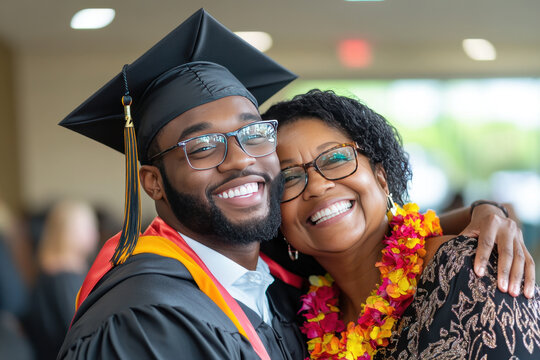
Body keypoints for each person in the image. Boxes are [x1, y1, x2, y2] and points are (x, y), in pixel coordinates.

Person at [56, 8, 532, 360]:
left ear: (381, 174)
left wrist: (482, 212)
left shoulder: (283, 292)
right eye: (202, 147)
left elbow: (372, 241)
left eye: (251, 135)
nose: (239, 160)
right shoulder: (139, 319)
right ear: (153, 182)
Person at [262, 89, 540, 359]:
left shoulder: (465, 271)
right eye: (288, 178)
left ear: (381, 178)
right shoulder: (295, 323)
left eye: (336, 158)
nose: (318, 186)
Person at [23, 200, 99, 360]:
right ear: (67, 231)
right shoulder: (62, 278)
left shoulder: (55, 270)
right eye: (87, 227)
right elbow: (77, 331)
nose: (94, 233)